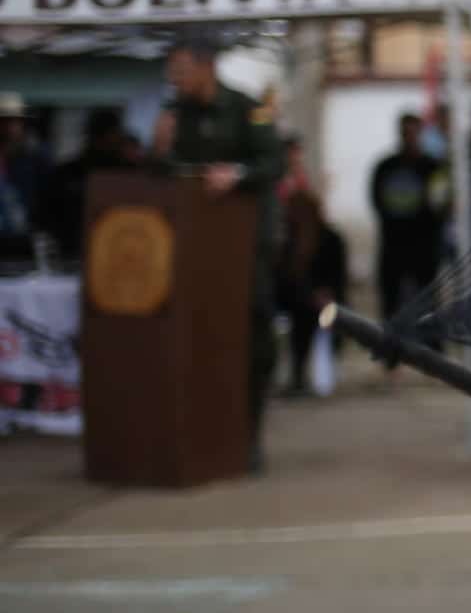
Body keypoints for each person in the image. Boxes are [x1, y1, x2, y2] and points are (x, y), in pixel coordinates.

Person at [151, 34, 284, 470]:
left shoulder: (249, 108)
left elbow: (275, 163)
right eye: (173, 71)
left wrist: (238, 174)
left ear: (207, 66)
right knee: (196, 337)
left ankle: (250, 434)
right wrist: (159, 150)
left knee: (251, 337)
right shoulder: (176, 116)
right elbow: (162, 180)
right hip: (194, 248)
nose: (176, 78)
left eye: (182, 69)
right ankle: (201, 432)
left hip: (247, 247)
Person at [368, 114, 448, 339]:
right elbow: (377, 201)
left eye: (414, 132)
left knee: (429, 298)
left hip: (424, 245)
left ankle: (432, 348)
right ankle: (391, 350)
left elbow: (442, 206)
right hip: (394, 244)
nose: (410, 138)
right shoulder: (385, 167)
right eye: (406, 133)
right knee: (390, 299)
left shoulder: (433, 167)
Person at [276, 189, 347, 396]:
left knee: (309, 318)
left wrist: (325, 294)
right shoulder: (290, 241)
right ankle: (299, 375)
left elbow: (337, 277)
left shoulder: (330, 239)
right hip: (299, 301)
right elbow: (285, 280)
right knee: (300, 318)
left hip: (324, 302)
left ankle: (309, 375)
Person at [41, 108, 132, 261]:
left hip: (117, 250)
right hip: (69, 251)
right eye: (108, 135)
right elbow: (47, 215)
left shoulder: (128, 173)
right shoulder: (67, 173)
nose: (112, 140)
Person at [0, 92, 49, 262]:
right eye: (4, 121)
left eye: (14, 121)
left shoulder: (35, 158)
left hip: (23, 239)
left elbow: (46, 197)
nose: (9, 127)